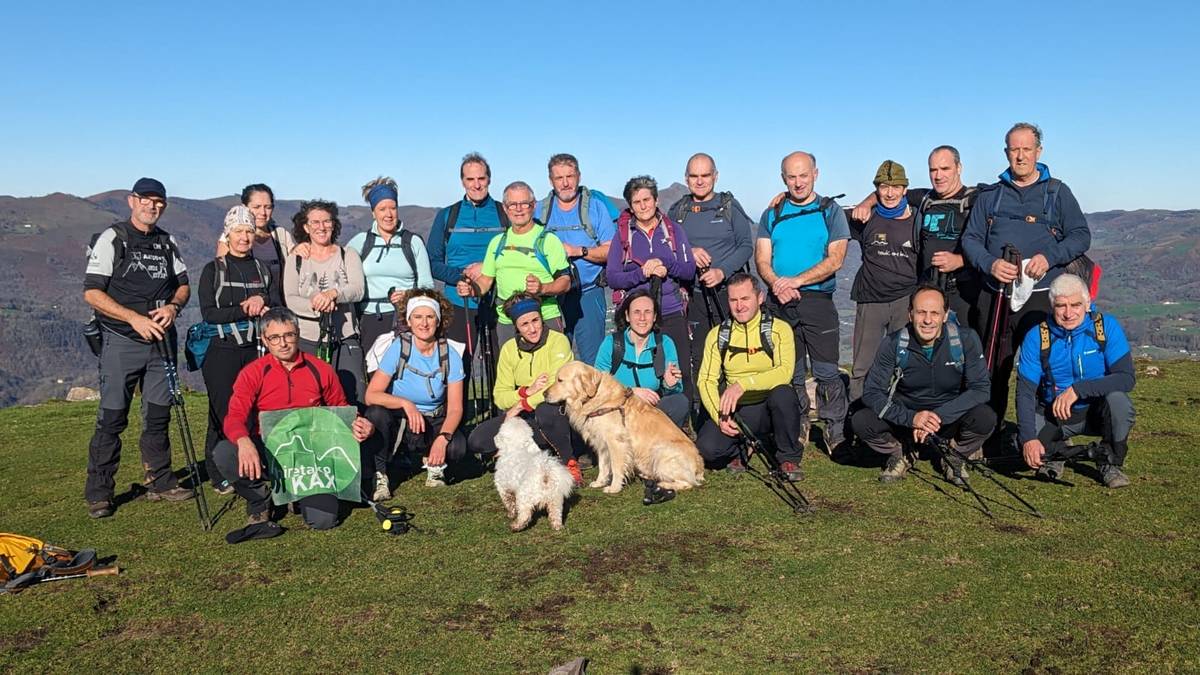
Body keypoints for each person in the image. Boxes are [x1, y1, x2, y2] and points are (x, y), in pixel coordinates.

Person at [961, 122, 1091, 424]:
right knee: (993, 367)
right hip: (996, 296)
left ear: (1039, 151)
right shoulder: (991, 196)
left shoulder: (1057, 193)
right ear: (1006, 152)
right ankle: (987, 433)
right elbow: (970, 239)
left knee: (1046, 368)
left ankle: (1041, 435)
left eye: (1026, 149)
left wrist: (1049, 257)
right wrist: (990, 263)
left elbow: (1080, 235)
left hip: (1043, 296)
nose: (1020, 156)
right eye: (1014, 149)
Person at [82, 177, 194, 519]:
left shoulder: (166, 241)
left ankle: (160, 482)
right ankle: (99, 493)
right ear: (132, 201)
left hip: (161, 342)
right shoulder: (114, 238)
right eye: (146, 199)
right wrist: (133, 318)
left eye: (159, 201)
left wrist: (173, 307)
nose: (153, 206)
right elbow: (92, 292)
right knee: (113, 417)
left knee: (158, 415)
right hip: (121, 340)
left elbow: (184, 285)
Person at [214, 307, 375, 531]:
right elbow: (234, 416)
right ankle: (260, 500)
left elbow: (340, 408)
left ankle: (298, 495)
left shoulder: (321, 369)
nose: (283, 343)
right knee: (224, 452)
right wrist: (243, 441)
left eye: (289, 335)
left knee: (323, 521)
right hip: (270, 449)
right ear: (264, 340)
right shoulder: (253, 373)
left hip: (311, 453)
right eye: (275, 337)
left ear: (297, 334)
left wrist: (359, 421)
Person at [755, 151, 850, 451]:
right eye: (791, 177)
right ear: (784, 179)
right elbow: (761, 258)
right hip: (779, 300)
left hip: (818, 300)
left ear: (816, 174)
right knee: (791, 370)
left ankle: (836, 430)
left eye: (803, 175)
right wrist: (776, 284)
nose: (798, 183)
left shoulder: (830, 210)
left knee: (826, 371)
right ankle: (799, 424)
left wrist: (796, 281)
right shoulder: (772, 213)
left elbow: (836, 259)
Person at [855, 285, 994, 484]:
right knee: (862, 420)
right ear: (910, 314)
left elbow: (981, 389)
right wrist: (911, 419)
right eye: (921, 312)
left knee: (985, 417)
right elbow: (872, 392)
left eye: (934, 313)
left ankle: (953, 454)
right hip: (905, 419)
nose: (928, 320)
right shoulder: (893, 343)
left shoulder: (965, 339)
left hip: (948, 419)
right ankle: (901, 452)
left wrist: (938, 417)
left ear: (945, 315)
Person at [1016, 274, 1135, 488]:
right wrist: (1028, 439)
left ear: (1087, 303)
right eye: (1061, 306)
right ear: (1052, 306)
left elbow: (1126, 378)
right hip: (1055, 414)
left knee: (1120, 403)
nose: (1068, 313)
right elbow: (1025, 391)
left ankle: (1109, 462)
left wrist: (1078, 390)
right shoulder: (1037, 337)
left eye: (1075, 304)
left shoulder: (1105, 327)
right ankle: (1059, 453)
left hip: (1097, 412)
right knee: (1021, 444)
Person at [851, 146, 985, 327]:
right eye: (933, 170)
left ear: (959, 168)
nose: (938, 176)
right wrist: (865, 204)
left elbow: (991, 243)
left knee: (962, 347)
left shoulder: (976, 201)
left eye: (945, 169)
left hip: (963, 291)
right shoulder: (924, 197)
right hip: (927, 289)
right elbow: (888, 190)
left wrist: (961, 260)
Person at [198, 205, 279, 495]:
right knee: (222, 412)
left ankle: (249, 464)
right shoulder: (213, 270)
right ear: (227, 234)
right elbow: (209, 313)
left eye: (248, 231)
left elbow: (271, 303)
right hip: (222, 350)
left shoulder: (261, 270)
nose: (244, 237)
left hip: (255, 349)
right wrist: (245, 309)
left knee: (254, 408)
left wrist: (263, 303)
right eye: (238, 232)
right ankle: (218, 470)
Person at [695, 273, 805, 481]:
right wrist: (719, 416)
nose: (739, 306)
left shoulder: (779, 329)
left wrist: (744, 384)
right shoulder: (717, 335)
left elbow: (784, 372)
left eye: (745, 299)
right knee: (707, 450)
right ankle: (742, 449)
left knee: (784, 394)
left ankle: (788, 457)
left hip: (770, 407)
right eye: (733, 300)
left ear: (760, 298)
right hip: (738, 411)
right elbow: (706, 380)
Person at [466, 294, 579, 484]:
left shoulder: (558, 341)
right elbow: (500, 396)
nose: (532, 328)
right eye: (525, 324)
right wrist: (525, 391)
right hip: (524, 418)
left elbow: (554, 389)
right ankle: (534, 451)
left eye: (535, 320)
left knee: (546, 411)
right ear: (516, 327)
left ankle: (569, 462)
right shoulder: (509, 349)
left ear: (542, 318)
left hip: (556, 412)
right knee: (478, 439)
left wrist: (521, 405)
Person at [363, 291, 466, 498]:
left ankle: (432, 463)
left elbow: (456, 408)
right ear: (409, 321)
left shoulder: (450, 354)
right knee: (375, 414)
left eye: (430, 317)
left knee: (457, 447)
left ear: (439, 320)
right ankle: (380, 474)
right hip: (401, 419)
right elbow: (371, 395)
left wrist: (442, 439)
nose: (424, 323)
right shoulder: (399, 347)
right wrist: (406, 404)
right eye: (418, 317)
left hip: (433, 419)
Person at [667, 153, 755, 392]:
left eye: (705, 175)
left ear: (715, 176)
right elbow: (667, 246)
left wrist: (721, 271)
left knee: (733, 354)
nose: (700, 181)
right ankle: (703, 414)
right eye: (694, 176)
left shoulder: (729, 207)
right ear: (686, 179)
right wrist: (689, 251)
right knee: (701, 356)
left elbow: (746, 245)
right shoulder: (678, 211)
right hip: (694, 296)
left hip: (728, 295)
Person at [605, 175, 696, 405]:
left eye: (647, 199)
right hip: (638, 315)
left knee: (680, 372)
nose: (643, 206)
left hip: (671, 310)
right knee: (643, 372)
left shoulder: (673, 231)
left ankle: (681, 424)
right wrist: (642, 273)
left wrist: (667, 265)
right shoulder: (624, 236)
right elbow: (613, 277)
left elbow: (688, 271)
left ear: (656, 201)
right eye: (637, 202)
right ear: (631, 206)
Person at [456, 181, 571, 347]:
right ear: (505, 207)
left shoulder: (548, 241)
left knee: (551, 372)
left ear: (533, 206)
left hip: (544, 318)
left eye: (524, 203)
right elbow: (485, 281)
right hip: (507, 322)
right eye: (512, 204)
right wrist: (471, 289)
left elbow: (565, 282)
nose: (518, 209)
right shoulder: (497, 242)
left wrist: (542, 288)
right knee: (513, 372)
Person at [847, 160, 919, 402]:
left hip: (905, 300)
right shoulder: (863, 218)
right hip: (870, 299)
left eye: (896, 187)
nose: (890, 193)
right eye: (884, 187)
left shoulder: (918, 218)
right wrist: (785, 196)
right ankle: (858, 415)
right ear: (876, 189)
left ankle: (899, 416)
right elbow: (823, 214)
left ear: (905, 189)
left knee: (904, 363)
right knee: (862, 365)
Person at [283, 199, 367, 406]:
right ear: (305, 227)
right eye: (315, 222)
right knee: (310, 399)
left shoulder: (348, 255)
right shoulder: (296, 259)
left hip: (344, 338)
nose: (321, 227)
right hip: (306, 339)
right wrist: (317, 303)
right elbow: (290, 298)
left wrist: (333, 294)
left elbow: (357, 289)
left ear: (334, 224)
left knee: (355, 397)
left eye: (326, 221)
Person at [535, 153, 616, 364]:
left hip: (588, 294)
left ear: (579, 176)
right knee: (552, 363)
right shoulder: (540, 211)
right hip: (550, 298)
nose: (565, 183)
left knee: (593, 363)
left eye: (570, 176)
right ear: (550, 180)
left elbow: (611, 250)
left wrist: (578, 250)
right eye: (559, 178)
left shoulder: (595, 208)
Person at [427, 153, 506, 354]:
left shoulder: (504, 213)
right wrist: (463, 274)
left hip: (500, 300)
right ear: (462, 182)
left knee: (503, 367)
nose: (476, 185)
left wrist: (486, 268)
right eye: (470, 179)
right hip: (458, 302)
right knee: (458, 368)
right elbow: (433, 263)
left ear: (489, 179)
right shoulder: (447, 216)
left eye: (481, 178)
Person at [346, 176, 434, 356]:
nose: (388, 214)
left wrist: (409, 295)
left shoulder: (413, 242)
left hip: (407, 318)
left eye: (393, 208)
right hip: (370, 318)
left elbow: (427, 285)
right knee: (374, 374)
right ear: (373, 213)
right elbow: (339, 268)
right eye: (382, 209)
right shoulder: (361, 242)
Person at [593, 289, 688, 427]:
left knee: (679, 402)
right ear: (627, 316)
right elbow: (597, 385)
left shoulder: (664, 343)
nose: (642, 318)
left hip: (651, 411)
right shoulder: (611, 343)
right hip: (618, 411)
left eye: (648, 312)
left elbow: (677, 389)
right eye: (636, 312)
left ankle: (658, 444)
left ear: (655, 316)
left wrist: (670, 385)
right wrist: (630, 392)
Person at [216, 183, 296, 289]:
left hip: (280, 303)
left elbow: (295, 267)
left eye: (267, 207)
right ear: (244, 207)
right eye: (256, 207)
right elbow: (222, 275)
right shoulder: (230, 238)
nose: (262, 212)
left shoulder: (281, 235)